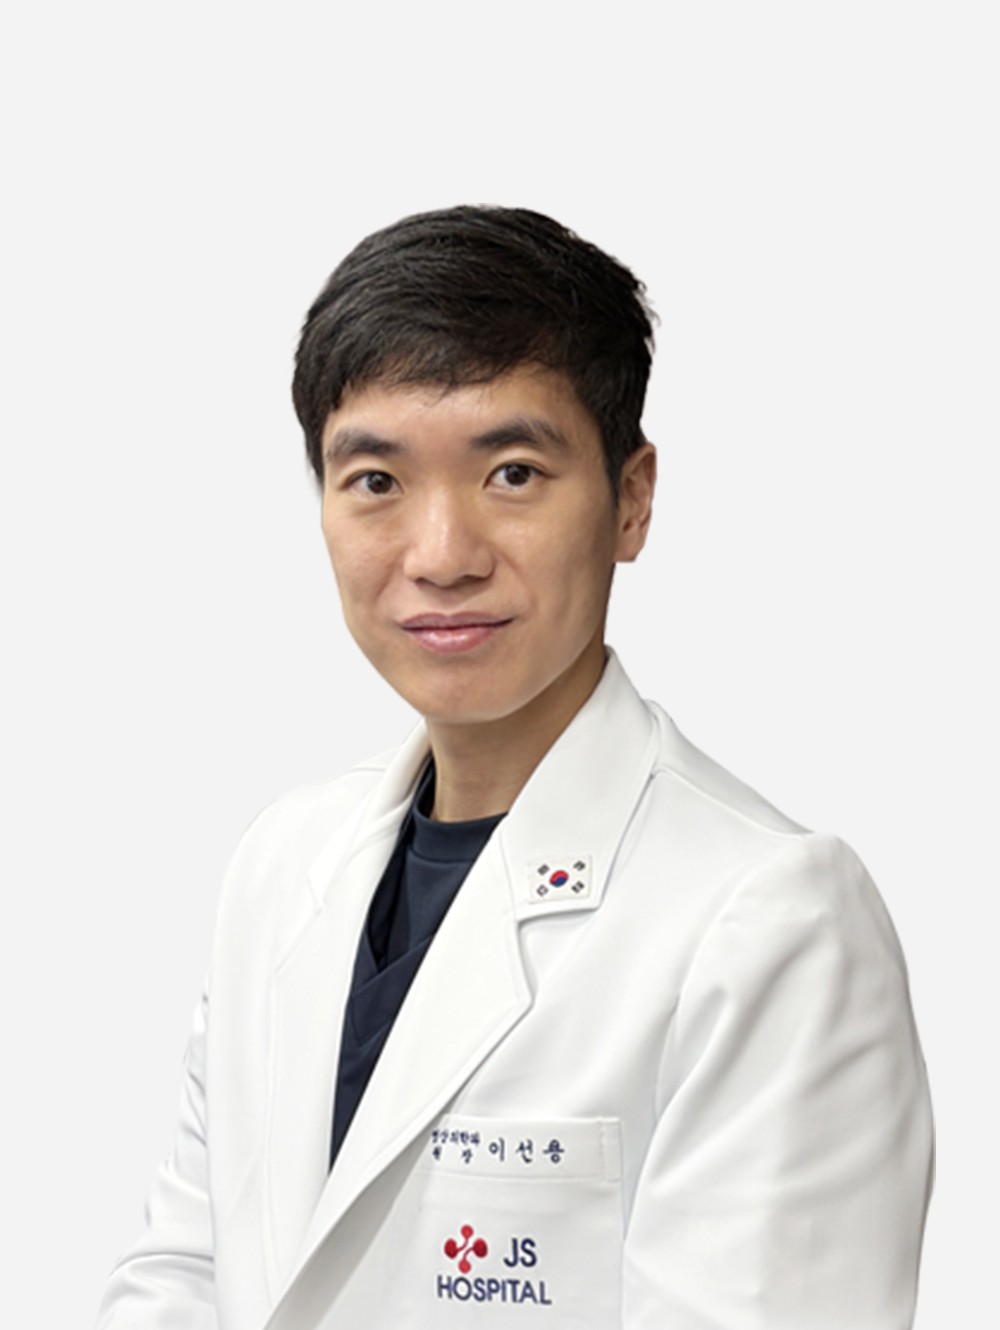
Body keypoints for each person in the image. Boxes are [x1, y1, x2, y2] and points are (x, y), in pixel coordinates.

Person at [97, 206, 933, 1329]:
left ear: (631, 499)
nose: (442, 556)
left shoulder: (772, 919)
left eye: (513, 472)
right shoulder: (280, 864)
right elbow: (178, 1279)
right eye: (376, 481)